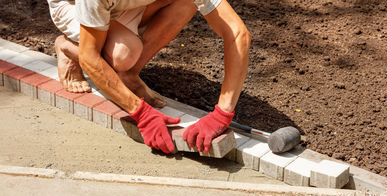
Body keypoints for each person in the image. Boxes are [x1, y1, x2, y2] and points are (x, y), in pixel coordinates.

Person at [47, 0, 251, 154]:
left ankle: (129, 75)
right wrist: (141, 112)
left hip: (121, 5)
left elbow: (236, 33)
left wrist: (222, 113)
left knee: (187, 2)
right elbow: (90, 56)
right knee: (124, 54)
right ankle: (67, 48)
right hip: (72, 6)